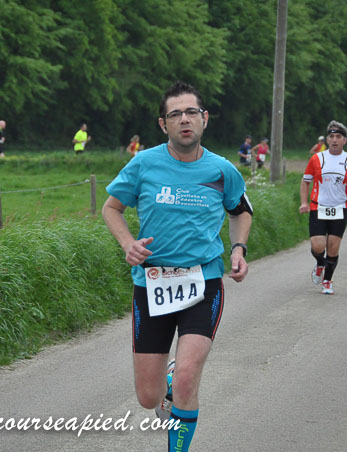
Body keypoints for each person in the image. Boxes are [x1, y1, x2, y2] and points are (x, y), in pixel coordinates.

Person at [101, 80, 253, 451]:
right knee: (148, 397)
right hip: (152, 284)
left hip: (203, 282)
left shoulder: (222, 170)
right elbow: (111, 208)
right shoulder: (144, 163)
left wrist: (238, 249)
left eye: (191, 112)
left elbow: (240, 211)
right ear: (163, 124)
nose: (184, 119)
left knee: (188, 377)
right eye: (175, 114)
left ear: (205, 118)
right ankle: (167, 379)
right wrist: (128, 244)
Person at [300, 121, 347, 295]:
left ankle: (327, 281)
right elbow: (305, 181)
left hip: (340, 208)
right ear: (327, 139)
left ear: (344, 140)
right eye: (332, 136)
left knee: (333, 247)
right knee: (318, 246)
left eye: (338, 137)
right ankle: (320, 263)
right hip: (318, 206)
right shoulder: (317, 159)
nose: (335, 140)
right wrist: (304, 202)